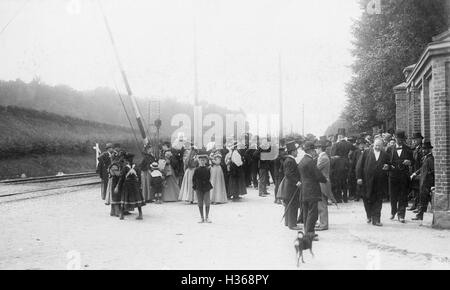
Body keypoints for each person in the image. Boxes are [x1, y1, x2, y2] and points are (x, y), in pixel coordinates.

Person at [356, 138, 390, 226]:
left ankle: (377, 219)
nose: (377, 147)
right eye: (376, 145)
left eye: (379, 145)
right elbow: (359, 166)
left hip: (379, 182)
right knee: (367, 199)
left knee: (378, 200)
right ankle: (369, 215)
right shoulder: (366, 153)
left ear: (382, 146)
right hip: (367, 181)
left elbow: (389, 165)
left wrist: (388, 166)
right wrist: (359, 177)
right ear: (373, 145)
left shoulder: (385, 155)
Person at [298, 141, 327, 240]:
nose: (315, 152)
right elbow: (318, 175)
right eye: (314, 150)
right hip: (312, 190)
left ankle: (307, 232)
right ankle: (310, 234)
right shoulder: (310, 161)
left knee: (306, 213)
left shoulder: (302, 161)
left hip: (304, 190)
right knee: (312, 213)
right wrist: (324, 179)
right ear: (311, 150)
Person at [386, 130, 414, 223]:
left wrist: (409, 162)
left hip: (403, 176)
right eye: (398, 139)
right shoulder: (389, 149)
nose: (400, 141)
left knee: (403, 195)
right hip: (393, 175)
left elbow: (413, 161)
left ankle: (401, 215)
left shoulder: (408, 149)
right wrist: (389, 166)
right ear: (395, 137)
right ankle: (393, 212)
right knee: (393, 195)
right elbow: (386, 162)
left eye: (402, 139)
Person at [279, 141, 301, 230]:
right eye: (296, 151)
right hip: (291, 186)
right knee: (293, 205)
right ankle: (292, 224)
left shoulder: (288, 160)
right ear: (292, 151)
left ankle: (288, 222)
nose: (297, 152)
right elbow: (288, 174)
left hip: (289, 186)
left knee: (289, 204)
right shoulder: (290, 161)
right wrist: (297, 182)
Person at [315, 139, 337, 231]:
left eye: (316, 148)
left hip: (322, 183)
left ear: (320, 148)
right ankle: (322, 222)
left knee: (322, 204)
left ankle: (324, 224)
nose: (316, 149)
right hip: (322, 182)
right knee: (321, 204)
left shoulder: (323, 158)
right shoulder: (323, 156)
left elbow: (316, 169)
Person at [411, 141, 434, 221]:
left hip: (427, 183)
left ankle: (421, 215)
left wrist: (432, 185)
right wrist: (415, 173)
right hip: (423, 182)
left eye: (426, 149)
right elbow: (422, 168)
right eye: (423, 149)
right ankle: (420, 215)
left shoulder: (430, 159)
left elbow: (432, 171)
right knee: (423, 200)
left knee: (427, 200)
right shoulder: (426, 158)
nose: (423, 151)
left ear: (430, 150)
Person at [117, 153, 145, 220]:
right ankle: (140, 214)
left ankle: (121, 215)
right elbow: (139, 177)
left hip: (127, 186)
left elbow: (122, 178)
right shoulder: (137, 167)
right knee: (137, 199)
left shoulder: (125, 168)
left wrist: (118, 187)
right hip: (135, 185)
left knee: (124, 199)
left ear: (126, 160)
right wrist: (140, 185)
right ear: (132, 159)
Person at [331, 135, 354, 203]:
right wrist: (349, 155)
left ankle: (339, 198)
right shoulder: (349, 143)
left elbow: (333, 154)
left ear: (339, 137)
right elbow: (355, 149)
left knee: (338, 181)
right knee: (345, 181)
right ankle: (345, 198)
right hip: (346, 162)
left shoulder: (336, 144)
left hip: (338, 163)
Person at [192, 152, 214, 223]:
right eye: (201, 160)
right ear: (198, 161)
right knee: (200, 202)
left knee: (207, 202)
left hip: (206, 187)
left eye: (203, 160)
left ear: (206, 161)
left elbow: (209, 177)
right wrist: (195, 186)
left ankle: (207, 217)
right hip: (199, 187)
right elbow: (194, 179)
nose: (202, 161)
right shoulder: (196, 169)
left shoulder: (208, 169)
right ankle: (202, 217)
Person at [409, 133, 424, 212]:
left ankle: (419, 206)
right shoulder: (415, 149)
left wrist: (416, 172)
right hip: (414, 171)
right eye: (413, 140)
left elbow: (422, 164)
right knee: (415, 188)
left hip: (419, 172)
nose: (414, 141)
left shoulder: (422, 149)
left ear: (420, 139)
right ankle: (415, 204)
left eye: (416, 139)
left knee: (419, 189)